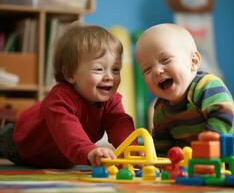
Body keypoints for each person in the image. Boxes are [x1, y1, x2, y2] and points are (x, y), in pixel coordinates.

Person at [0, 24, 136, 168]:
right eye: (98, 69)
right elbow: (67, 130)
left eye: (115, 69)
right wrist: (89, 151)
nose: (110, 77)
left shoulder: (111, 101)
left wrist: (131, 150)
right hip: (19, 144)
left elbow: (119, 123)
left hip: (60, 157)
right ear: (70, 74)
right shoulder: (59, 99)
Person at [135, 23, 234, 155]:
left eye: (165, 60)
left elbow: (226, 117)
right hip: (192, 166)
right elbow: (163, 147)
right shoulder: (160, 110)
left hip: (231, 158)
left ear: (193, 61)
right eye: (147, 69)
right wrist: (159, 164)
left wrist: (202, 150)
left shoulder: (207, 86)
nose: (157, 71)